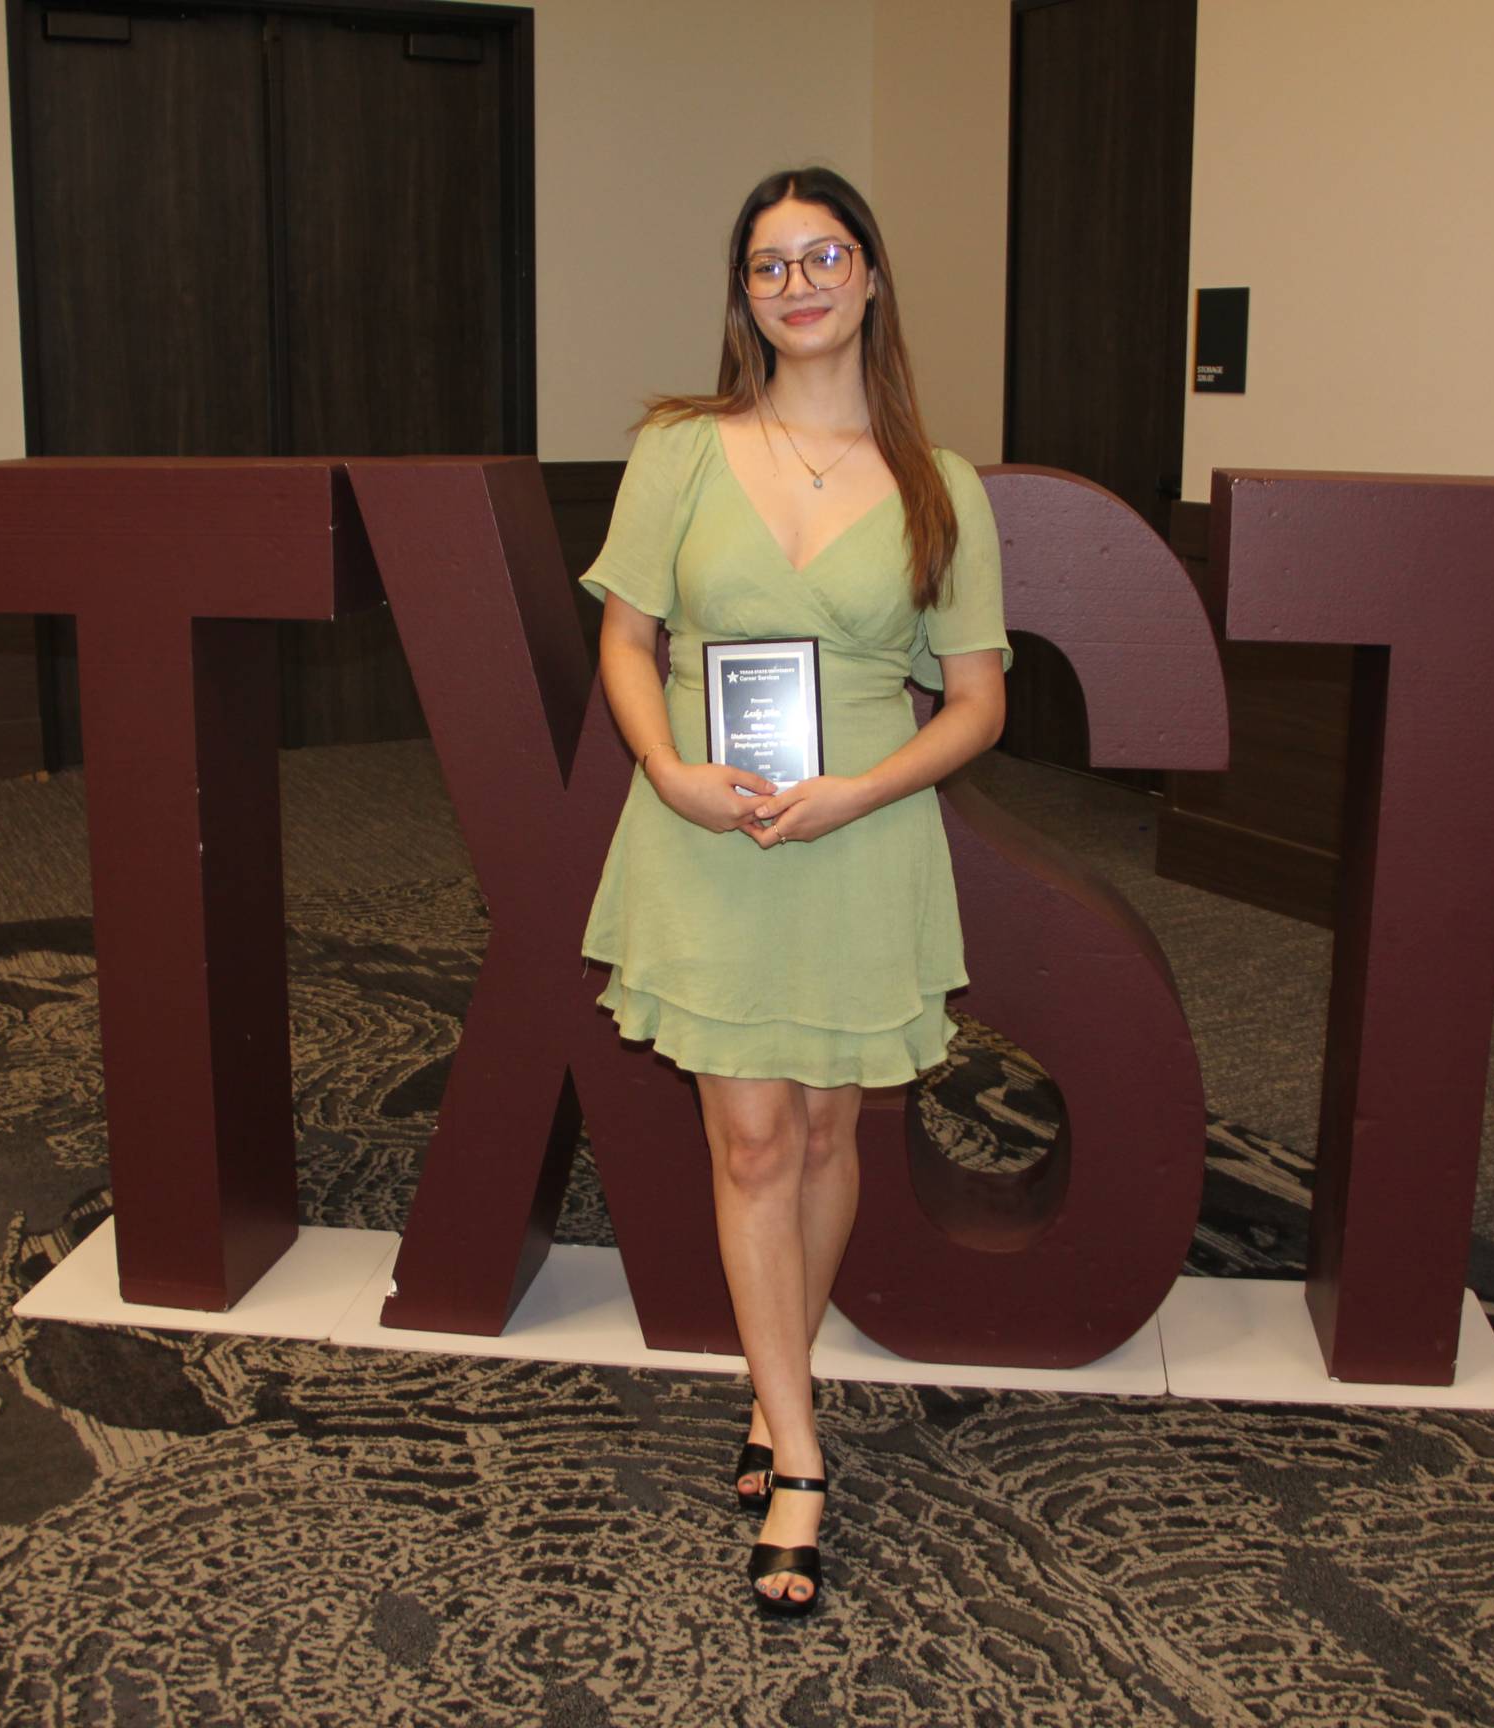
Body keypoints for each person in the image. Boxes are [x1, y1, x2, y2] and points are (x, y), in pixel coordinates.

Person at [577, 166, 1011, 1616]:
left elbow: (975, 702)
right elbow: (628, 643)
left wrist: (859, 794)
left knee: (832, 1129)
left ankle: (777, 1385)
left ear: (873, 278)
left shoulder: (942, 484)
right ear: (744, 297)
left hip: (862, 830)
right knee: (754, 1140)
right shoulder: (680, 452)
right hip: (709, 829)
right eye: (770, 266)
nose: (800, 282)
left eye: (826, 255)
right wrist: (666, 768)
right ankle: (804, 1453)